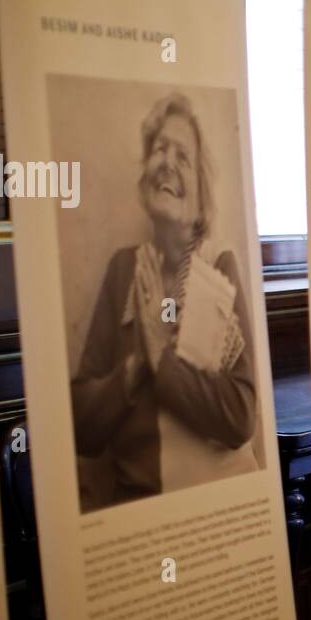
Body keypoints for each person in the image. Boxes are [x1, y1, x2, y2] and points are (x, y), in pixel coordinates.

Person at [71, 93, 257, 509]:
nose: (168, 162)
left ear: (200, 192)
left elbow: (241, 417)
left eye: (182, 156)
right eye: (160, 149)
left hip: (220, 514)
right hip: (144, 517)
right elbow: (81, 426)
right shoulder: (123, 270)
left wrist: (164, 366)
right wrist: (139, 367)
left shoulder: (218, 267)